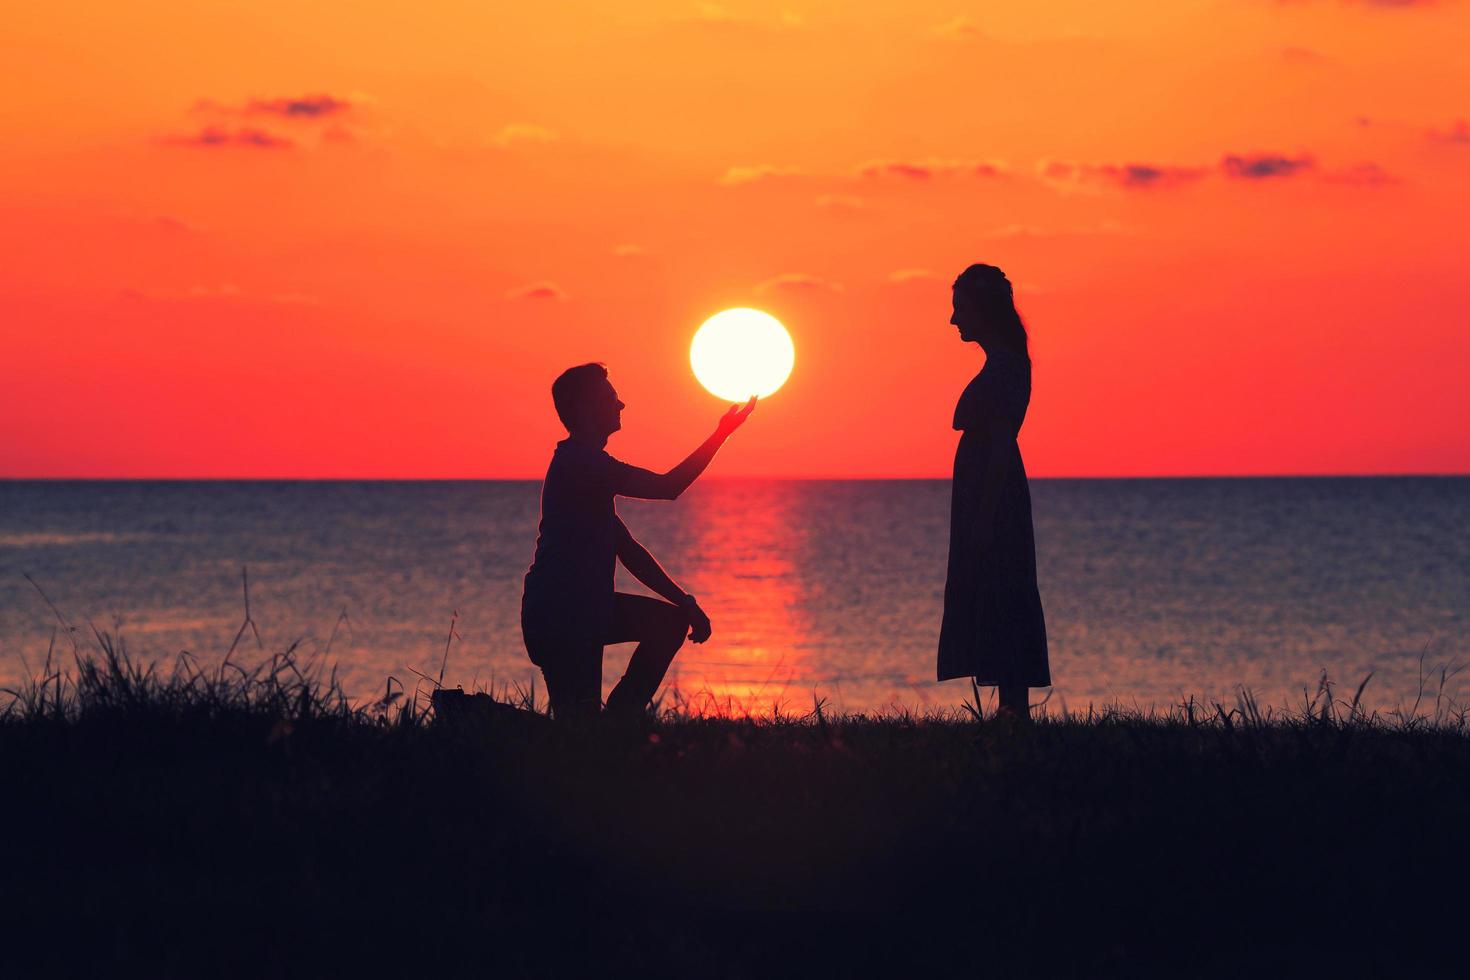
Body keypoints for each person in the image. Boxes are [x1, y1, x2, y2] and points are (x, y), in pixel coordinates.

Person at [521, 363, 756, 720]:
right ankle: (608, 726)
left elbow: (628, 549)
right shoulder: (582, 465)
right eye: (611, 398)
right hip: (562, 614)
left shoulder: (585, 465)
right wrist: (722, 432)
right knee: (577, 730)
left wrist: (685, 602)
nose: (621, 405)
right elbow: (668, 487)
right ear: (586, 409)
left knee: (669, 623)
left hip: (584, 610)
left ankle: (619, 720)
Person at [937, 264, 1050, 721]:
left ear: (981, 310)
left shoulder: (1004, 366)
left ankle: (1014, 710)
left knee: (1005, 587)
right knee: (995, 589)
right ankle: (1009, 709)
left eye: (959, 309)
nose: (954, 321)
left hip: (994, 493)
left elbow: (1002, 443)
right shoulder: (1001, 363)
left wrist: (985, 513)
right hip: (985, 492)